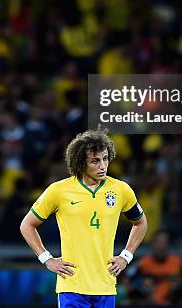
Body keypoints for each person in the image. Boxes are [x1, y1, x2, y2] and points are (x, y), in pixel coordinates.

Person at [20, 128, 147, 308]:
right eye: (95, 161)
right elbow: (27, 225)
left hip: (105, 286)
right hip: (72, 285)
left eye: (105, 159)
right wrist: (47, 259)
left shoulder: (121, 190)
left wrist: (125, 256)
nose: (102, 166)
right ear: (80, 162)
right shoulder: (59, 190)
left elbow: (140, 223)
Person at [138, 230, 182, 304]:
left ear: (169, 244)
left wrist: (177, 286)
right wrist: (142, 286)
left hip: (173, 303)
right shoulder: (143, 262)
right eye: (158, 242)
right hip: (147, 303)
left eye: (164, 242)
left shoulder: (177, 261)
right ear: (153, 244)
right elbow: (130, 283)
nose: (161, 246)